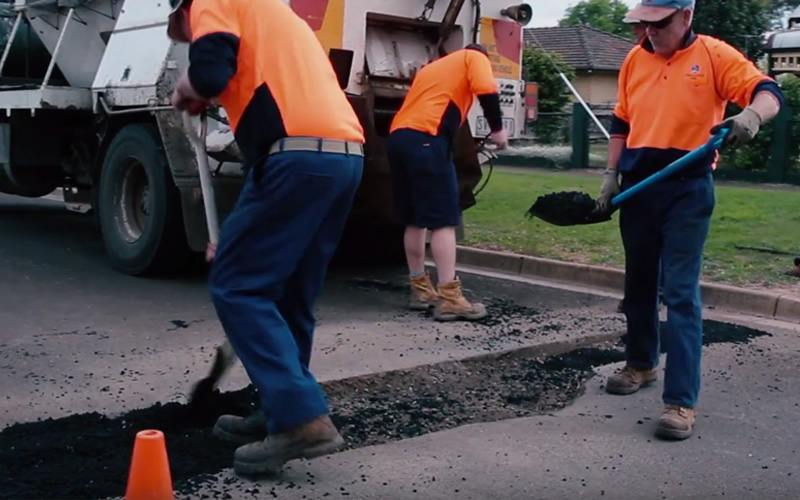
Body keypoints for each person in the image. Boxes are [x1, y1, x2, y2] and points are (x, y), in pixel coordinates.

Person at [167, 0, 365, 475]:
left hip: (295, 155)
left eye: (182, 31)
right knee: (292, 295)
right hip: (342, 156)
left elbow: (211, 71)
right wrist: (240, 235)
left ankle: (301, 420)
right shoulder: (277, 17)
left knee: (238, 286)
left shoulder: (213, 0)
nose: (186, 37)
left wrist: (186, 89)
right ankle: (280, 411)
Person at [596, 0, 783, 440]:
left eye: (658, 23)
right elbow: (621, 120)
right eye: (643, 23)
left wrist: (753, 114)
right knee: (638, 284)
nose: (649, 32)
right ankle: (641, 363)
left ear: (686, 17)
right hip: (638, 185)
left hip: (687, 188)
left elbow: (767, 90)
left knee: (679, 292)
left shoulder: (715, 56)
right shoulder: (633, 58)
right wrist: (609, 175)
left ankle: (681, 402)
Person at [387, 44, 508, 322]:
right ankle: (450, 298)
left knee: (414, 219)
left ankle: (420, 290)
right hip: (427, 137)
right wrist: (499, 130)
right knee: (443, 220)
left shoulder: (433, 68)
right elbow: (487, 89)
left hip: (399, 138)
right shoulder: (474, 57)